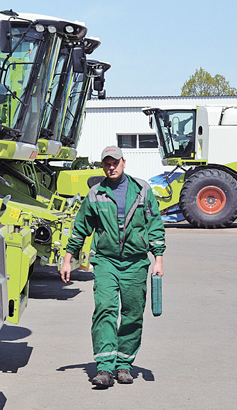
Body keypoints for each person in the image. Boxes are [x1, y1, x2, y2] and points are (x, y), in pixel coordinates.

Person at [60, 145, 166, 388]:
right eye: (106, 163)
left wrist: (158, 259)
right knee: (105, 309)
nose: (111, 167)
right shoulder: (96, 193)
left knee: (132, 313)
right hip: (106, 261)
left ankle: (124, 365)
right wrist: (68, 259)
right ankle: (105, 367)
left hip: (136, 262)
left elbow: (154, 224)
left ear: (124, 163)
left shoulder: (142, 190)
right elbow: (80, 228)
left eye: (115, 162)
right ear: (103, 166)